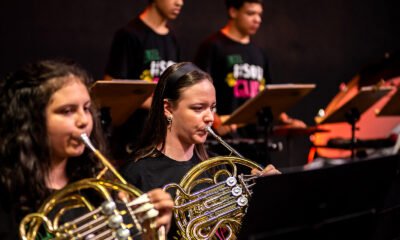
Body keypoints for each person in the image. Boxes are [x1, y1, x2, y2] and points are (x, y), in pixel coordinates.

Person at [0, 60, 173, 239]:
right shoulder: (7, 197)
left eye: (87, 108)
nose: (84, 120)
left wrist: (148, 232)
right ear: (29, 121)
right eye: (67, 111)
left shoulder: (101, 188)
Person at [120, 62, 281, 239]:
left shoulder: (219, 170)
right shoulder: (137, 174)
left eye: (212, 108)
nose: (210, 118)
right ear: (168, 109)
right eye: (198, 108)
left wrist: (266, 197)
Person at [194, 0, 306, 165]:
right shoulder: (213, 47)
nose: (257, 19)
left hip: (257, 142)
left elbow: (266, 95)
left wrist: (286, 120)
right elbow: (197, 90)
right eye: (250, 13)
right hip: (224, 143)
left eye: (259, 14)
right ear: (233, 12)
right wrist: (215, 120)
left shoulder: (259, 53)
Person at [104, 0, 184, 161]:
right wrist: (159, 103)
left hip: (161, 136)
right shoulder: (129, 34)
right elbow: (112, 87)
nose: (179, 3)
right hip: (132, 137)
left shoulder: (172, 39)